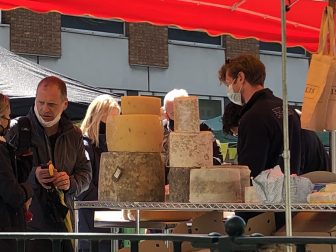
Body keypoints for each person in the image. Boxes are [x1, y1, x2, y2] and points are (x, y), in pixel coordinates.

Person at [6, 76, 92, 252]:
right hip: (28, 227)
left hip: (63, 224)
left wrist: (70, 183)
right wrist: (33, 176)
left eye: (51, 104)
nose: (45, 109)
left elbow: (86, 174)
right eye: (40, 102)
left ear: (65, 104)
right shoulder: (17, 129)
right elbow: (5, 177)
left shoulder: (74, 134)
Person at [218, 54, 301, 178]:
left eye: (229, 83)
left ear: (240, 78)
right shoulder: (287, 108)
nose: (229, 90)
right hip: (290, 189)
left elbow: (250, 171)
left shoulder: (253, 117)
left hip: (264, 193)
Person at [78, 94, 120, 252]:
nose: (116, 123)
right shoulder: (84, 146)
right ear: (99, 117)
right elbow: (85, 189)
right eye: (112, 118)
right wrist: (112, 200)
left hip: (113, 224)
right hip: (92, 226)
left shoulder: (113, 146)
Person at [162, 89, 223, 183]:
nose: (180, 117)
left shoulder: (202, 129)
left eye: (182, 111)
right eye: (174, 114)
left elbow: (217, 158)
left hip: (196, 183)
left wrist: (197, 163)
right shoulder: (161, 130)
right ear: (166, 114)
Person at [0, 93, 33, 252]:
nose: (8, 121)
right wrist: (28, 190)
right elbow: (13, 194)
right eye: (7, 117)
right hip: (5, 233)